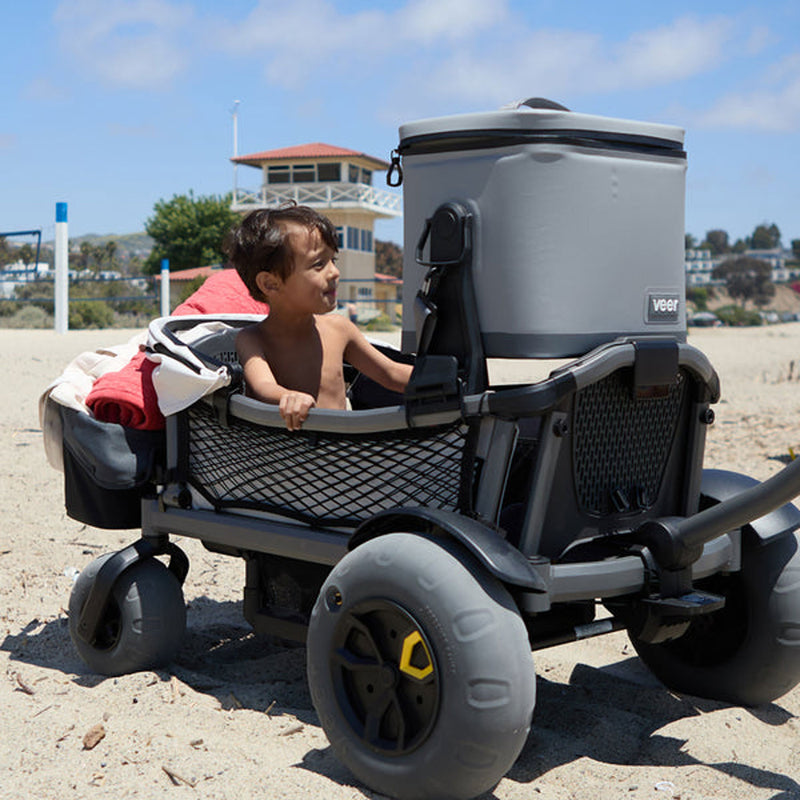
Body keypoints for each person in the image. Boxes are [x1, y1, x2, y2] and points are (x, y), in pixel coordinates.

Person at [224, 205, 413, 430]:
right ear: (270, 283)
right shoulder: (253, 338)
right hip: (284, 456)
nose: (334, 272)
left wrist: (444, 380)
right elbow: (263, 385)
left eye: (333, 260)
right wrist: (287, 397)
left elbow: (390, 373)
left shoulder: (340, 329)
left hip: (342, 454)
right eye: (319, 264)